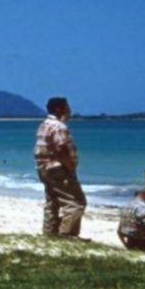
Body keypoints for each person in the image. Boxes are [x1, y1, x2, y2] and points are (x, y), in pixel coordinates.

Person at [33, 96, 86, 238]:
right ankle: (66, 235)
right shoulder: (58, 126)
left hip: (43, 168)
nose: (70, 110)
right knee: (76, 203)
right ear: (59, 109)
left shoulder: (44, 124)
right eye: (67, 107)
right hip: (58, 168)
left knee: (53, 202)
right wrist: (70, 166)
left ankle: (49, 233)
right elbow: (61, 148)